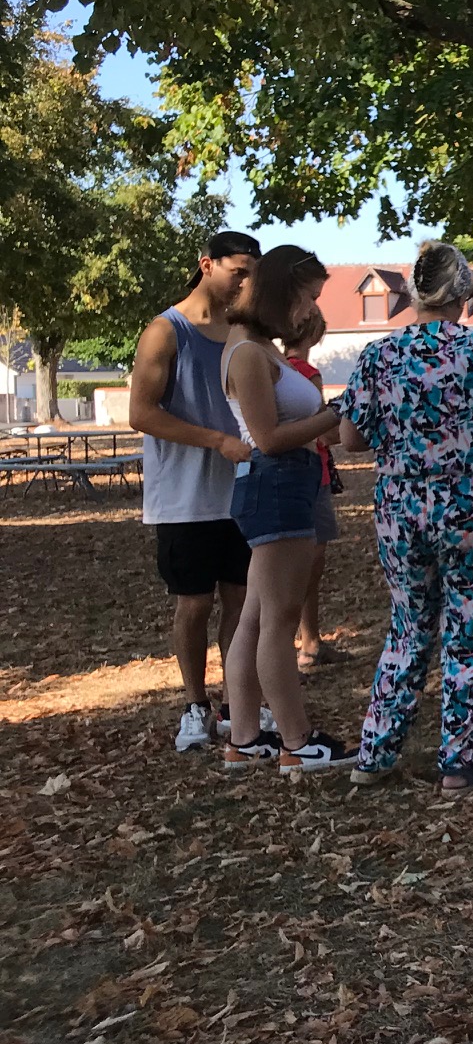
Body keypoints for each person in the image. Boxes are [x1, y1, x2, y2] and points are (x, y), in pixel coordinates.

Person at [339, 241, 473, 793]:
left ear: (411, 293)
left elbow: (351, 438)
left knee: (408, 629)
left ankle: (375, 755)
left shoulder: (378, 355)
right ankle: (457, 761)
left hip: (402, 506)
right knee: (472, 632)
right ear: (464, 293)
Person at [219, 244, 356, 773]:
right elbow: (269, 438)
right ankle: (297, 743)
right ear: (282, 292)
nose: (310, 311)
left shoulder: (261, 346)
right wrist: (335, 414)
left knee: (256, 616)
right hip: (275, 484)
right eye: (307, 298)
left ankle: (247, 737)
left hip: (284, 484)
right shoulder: (250, 353)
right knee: (279, 620)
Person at [130, 230, 263, 752]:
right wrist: (216, 441)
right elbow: (142, 413)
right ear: (207, 265)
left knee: (240, 601)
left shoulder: (244, 332)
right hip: (183, 497)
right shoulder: (166, 331)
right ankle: (194, 704)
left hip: (243, 492)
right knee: (194, 604)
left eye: (254, 273)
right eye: (239, 271)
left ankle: (235, 706)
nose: (246, 282)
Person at [280, 307, 345, 671]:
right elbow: (326, 432)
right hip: (312, 475)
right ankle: (307, 644)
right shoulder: (308, 374)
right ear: (314, 334)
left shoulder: (274, 369)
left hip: (289, 477)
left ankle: (308, 641)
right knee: (309, 568)